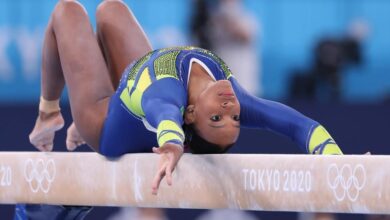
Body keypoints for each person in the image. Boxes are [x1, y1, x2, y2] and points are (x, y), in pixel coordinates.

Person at [24, 0, 342, 219]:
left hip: (105, 122)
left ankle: (49, 113)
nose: (230, 108)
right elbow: (300, 126)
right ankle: (104, 96)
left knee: (67, 11)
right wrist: (338, 159)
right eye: (234, 119)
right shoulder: (235, 96)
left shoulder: (165, 99)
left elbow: (166, 120)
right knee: (111, 9)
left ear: (189, 114)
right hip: (133, 85)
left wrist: (173, 147)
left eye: (216, 118)